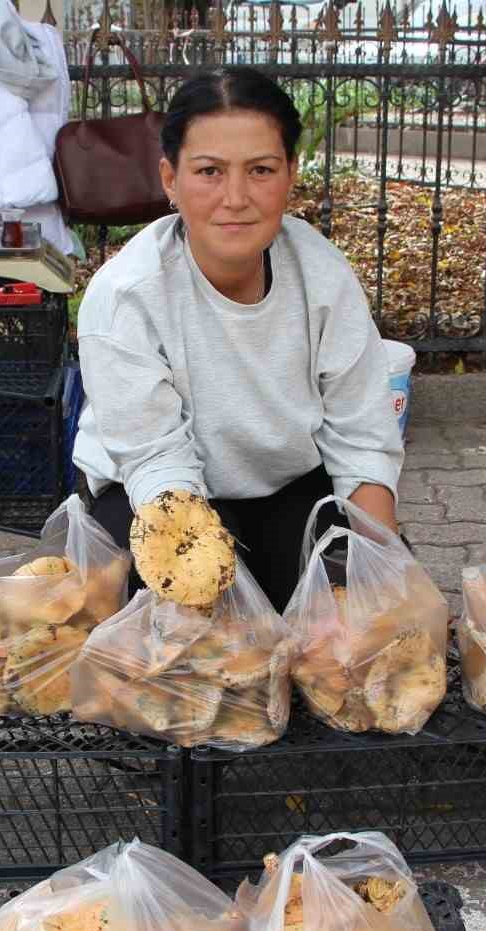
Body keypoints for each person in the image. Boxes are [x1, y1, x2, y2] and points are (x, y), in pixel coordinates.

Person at [71, 68, 405, 611]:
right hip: (157, 496)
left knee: (351, 605)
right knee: (185, 625)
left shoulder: (321, 273)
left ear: (290, 173)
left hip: (286, 488)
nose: (235, 197)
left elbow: (362, 439)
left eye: (261, 170)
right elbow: (156, 460)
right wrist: (208, 595)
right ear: (170, 179)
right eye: (208, 171)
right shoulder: (127, 294)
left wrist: (388, 568)